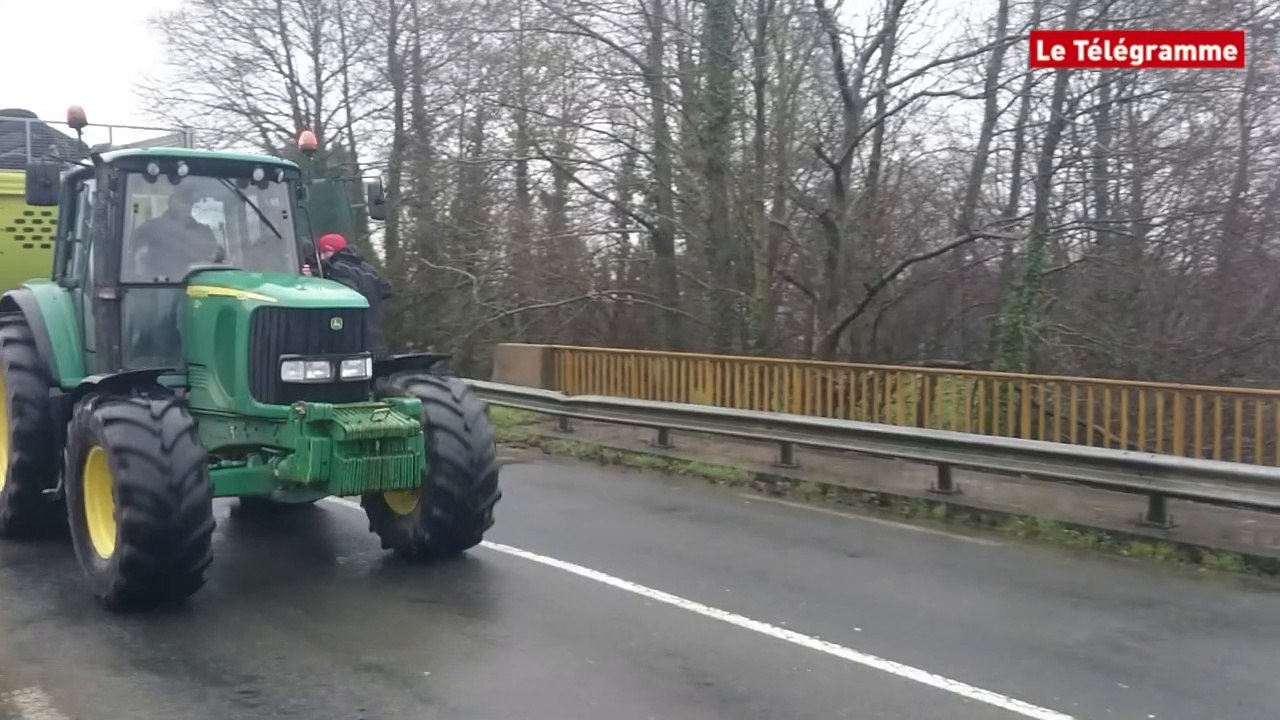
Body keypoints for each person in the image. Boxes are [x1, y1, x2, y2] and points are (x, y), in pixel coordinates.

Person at [315, 233, 393, 356]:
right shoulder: (368, 268)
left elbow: (345, 297)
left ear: (334, 250)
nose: (322, 257)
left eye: (325, 252)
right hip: (375, 339)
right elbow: (387, 289)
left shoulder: (336, 269)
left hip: (351, 342)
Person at [131, 182, 223, 281]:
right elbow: (136, 263)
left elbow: (216, 259)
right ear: (172, 201)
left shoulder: (204, 231)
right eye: (183, 200)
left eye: (191, 202)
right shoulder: (149, 229)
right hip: (159, 286)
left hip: (198, 287)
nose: (187, 205)